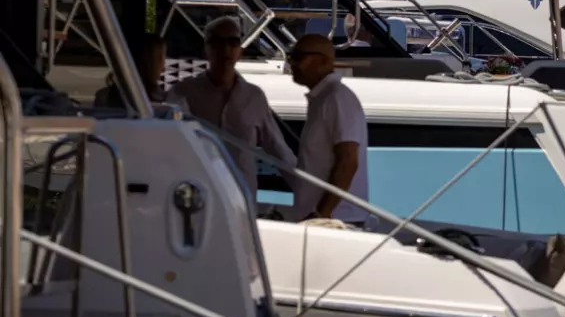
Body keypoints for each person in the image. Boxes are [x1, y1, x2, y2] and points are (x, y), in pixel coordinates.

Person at [167, 16, 295, 193]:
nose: (225, 49)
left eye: (232, 42)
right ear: (206, 50)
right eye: (217, 42)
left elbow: (278, 151)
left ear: (240, 51)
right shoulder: (183, 93)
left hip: (243, 198)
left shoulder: (254, 96)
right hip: (198, 197)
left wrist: (312, 194)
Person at [287, 34, 369, 224]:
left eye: (298, 57)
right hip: (326, 221)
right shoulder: (325, 98)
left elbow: (347, 161)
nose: (291, 63)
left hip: (336, 222)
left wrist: (321, 214)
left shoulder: (337, 98)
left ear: (323, 61)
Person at [95, 33, 170, 110]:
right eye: (161, 59)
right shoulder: (163, 101)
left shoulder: (103, 96)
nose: (163, 67)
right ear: (152, 64)